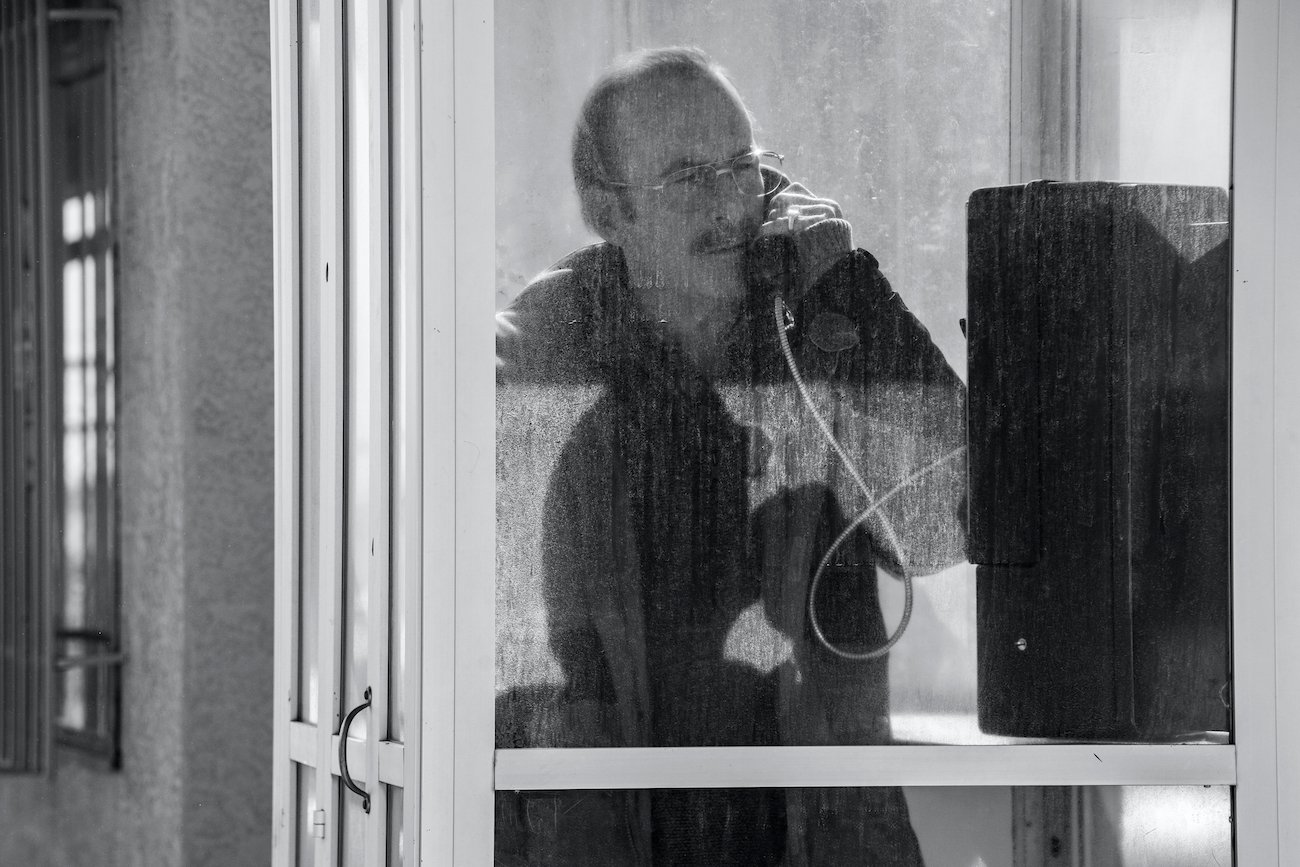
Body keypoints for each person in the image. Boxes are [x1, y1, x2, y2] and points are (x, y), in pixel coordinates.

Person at [495, 47, 966, 865]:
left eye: (743, 167)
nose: (730, 206)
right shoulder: (547, 356)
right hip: (614, 830)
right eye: (687, 178)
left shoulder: (818, 327)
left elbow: (945, 524)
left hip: (815, 833)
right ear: (610, 214)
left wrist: (850, 294)